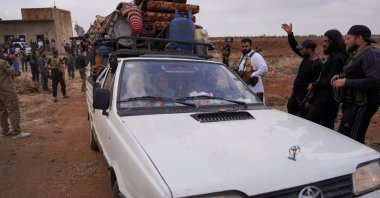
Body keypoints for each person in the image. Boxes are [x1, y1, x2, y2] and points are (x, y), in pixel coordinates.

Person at [331, 25, 380, 143]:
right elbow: (357, 73)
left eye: (348, 38)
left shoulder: (370, 53)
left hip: (362, 104)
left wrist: (345, 82)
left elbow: (375, 80)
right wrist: (341, 76)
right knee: (346, 136)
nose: (345, 41)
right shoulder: (357, 53)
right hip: (353, 104)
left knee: (352, 139)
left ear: (359, 38)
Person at [304, 29, 348, 129]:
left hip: (327, 101)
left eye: (325, 41)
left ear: (333, 41)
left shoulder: (338, 58)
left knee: (313, 128)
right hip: (323, 99)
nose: (323, 44)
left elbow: (330, 81)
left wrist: (314, 84)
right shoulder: (334, 56)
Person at [281, 23, 323, 118]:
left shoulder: (318, 64)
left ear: (309, 50)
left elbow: (316, 84)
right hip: (296, 92)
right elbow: (295, 47)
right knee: (291, 112)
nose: (300, 50)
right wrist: (290, 34)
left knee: (303, 118)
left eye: (303, 49)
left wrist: (310, 100)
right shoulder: (305, 57)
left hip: (304, 97)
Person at [0, 53, 31, 139]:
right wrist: (15, 61)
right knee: (13, 109)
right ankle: (17, 132)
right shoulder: (2, 62)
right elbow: (16, 73)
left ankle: (5, 130)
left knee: (2, 111)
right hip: (7, 90)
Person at [235, 37, 268, 102]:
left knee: (257, 109)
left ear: (250, 46)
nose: (244, 48)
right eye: (243, 46)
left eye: (246, 46)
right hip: (246, 90)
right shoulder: (243, 56)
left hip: (255, 90)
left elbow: (264, 68)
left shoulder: (256, 56)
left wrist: (252, 75)